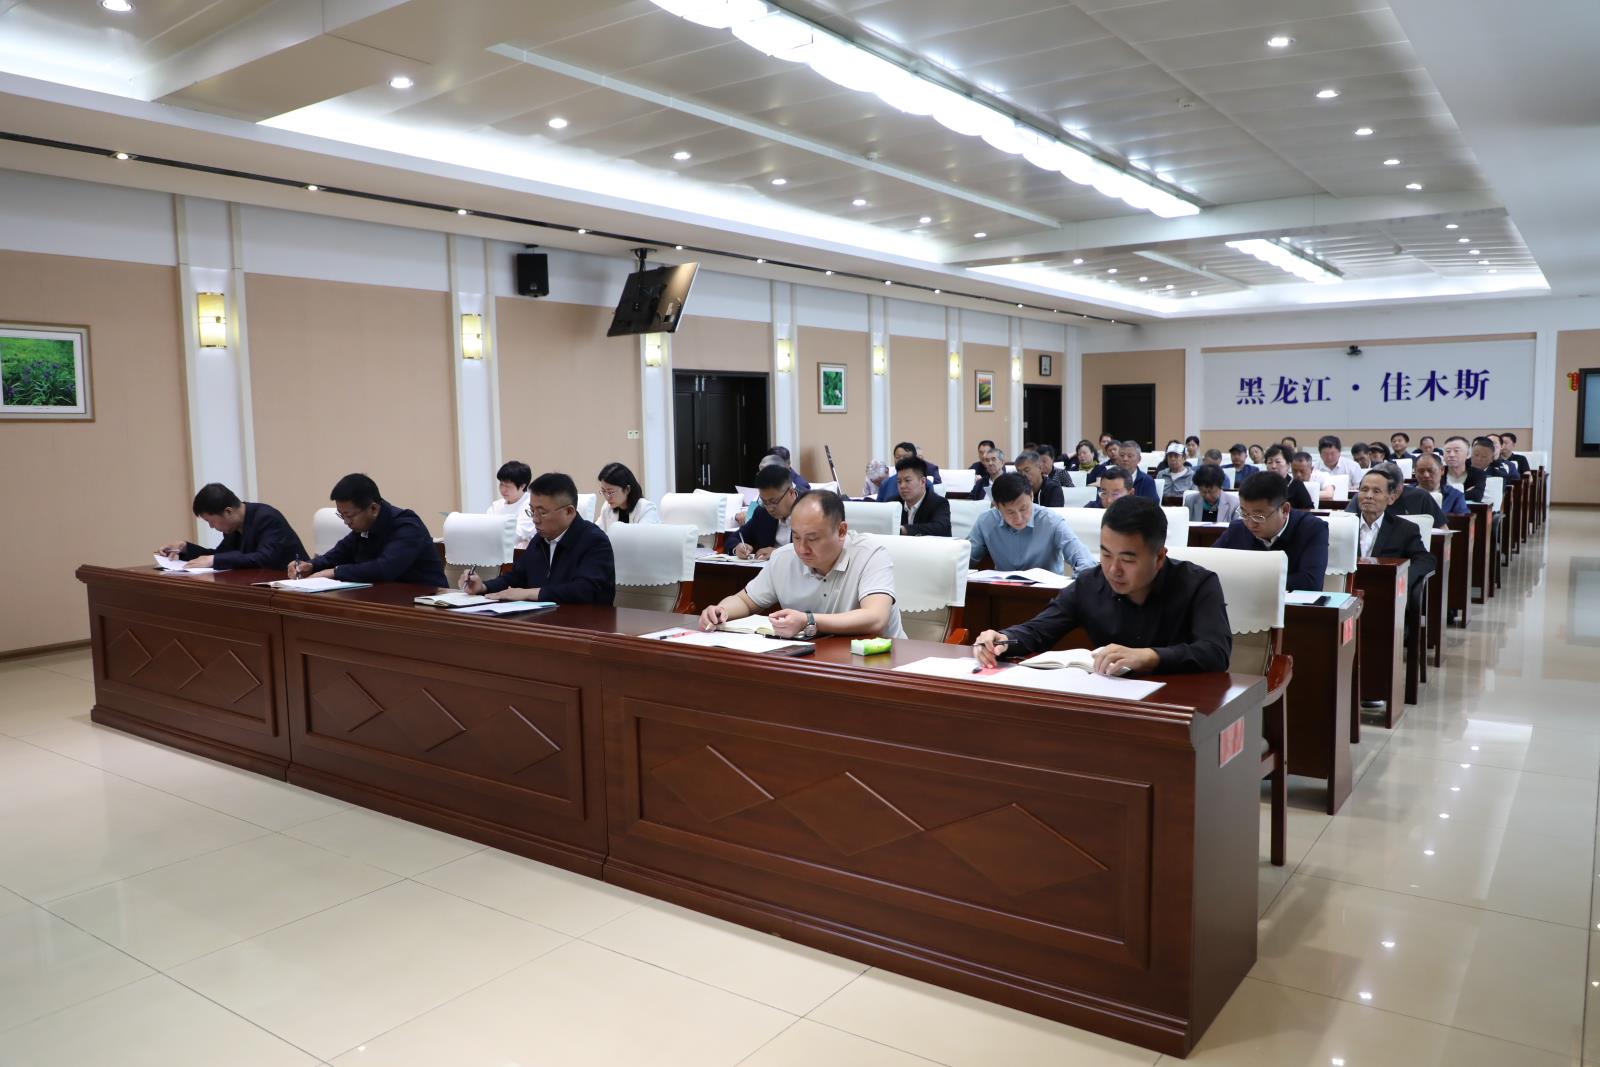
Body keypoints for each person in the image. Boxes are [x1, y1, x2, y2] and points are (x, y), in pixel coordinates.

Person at [973, 497, 1230, 675]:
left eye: (1128, 559)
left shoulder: (1198, 584)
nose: (1113, 569)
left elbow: (1215, 652)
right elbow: (1039, 630)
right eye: (1106, 554)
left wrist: (1150, 656)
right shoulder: (1090, 583)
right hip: (1110, 702)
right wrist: (1004, 639)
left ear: (1159, 557)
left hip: (1178, 706)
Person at [699, 490, 902, 638]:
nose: (802, 548)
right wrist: (720, 610)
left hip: (879, 662)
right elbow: (745, 601)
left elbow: (876, 618)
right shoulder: (784, 557)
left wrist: (808, 620)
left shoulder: (870, 555)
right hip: (815, 658)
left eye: (812, 539)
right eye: (796, 537)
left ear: (841, 531)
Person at [462, 472, 614, 604]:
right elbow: (516, 577)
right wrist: (483, 587)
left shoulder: (594, 541)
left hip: (583, 624)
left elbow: (586, 590)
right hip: (542, 620)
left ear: (569, 511)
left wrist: (530, 593)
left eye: (542, 513)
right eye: (532, 511)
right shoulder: (539, 539)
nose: (535, 519)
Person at [288, 473, 447, 586]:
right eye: (342, 515)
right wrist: (311, 565)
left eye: (349, 516)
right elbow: (338, 554)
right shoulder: (363, 528)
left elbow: (384, 569)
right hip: (385, 600)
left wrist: (334, 572)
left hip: (425, 604)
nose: (346, 522)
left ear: (373, 509)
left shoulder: (407, 526)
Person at [1214, 471, 1329, 591]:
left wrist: (1247, 580)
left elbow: (1311, 582)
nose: (1250, 523)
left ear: (1284, 510)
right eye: (1244, 513)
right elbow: (1209, 564)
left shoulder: (1313, 529)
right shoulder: (1238, 528)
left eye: (1258, 516)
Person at [967, 473, 1096, 575]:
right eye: (1010, 512)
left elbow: (1085, 561)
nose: (1019, 518)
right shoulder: (986, 522)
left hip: (1046, 594)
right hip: (1004, 592)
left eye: (1023, 509)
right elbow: (965, 559)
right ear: (996, 506)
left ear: (1031, 496)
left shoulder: (1051, 521)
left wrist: (1078, 583)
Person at [159, 483, 307, 571]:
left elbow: (264, 558)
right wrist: (185, 548)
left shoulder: (267, 518)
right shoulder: (233, 527)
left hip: (292, 585)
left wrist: (214, 560)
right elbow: (221, 555)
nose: (211, 527)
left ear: (228, 511)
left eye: (211, 521)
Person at [1353, 467, 1435, 613]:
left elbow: (1426, 560)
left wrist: (1402, 579)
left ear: (1391, 498)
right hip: (1351, 592)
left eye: (1376, 491)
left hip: (1386, 596)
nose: (1369, 496)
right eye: (1364, 490)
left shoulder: (1405, 529)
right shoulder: (1346, 525)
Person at [729, 463, 798, 560]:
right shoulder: (762, 513)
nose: (769, 508)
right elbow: (733, 539)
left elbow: (815, 550)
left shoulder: (810, 512)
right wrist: (737, 548)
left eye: (774, 501)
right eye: (764, 502)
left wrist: (778, 553)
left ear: (791, 492)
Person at [895, 455, 951, 536]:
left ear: (923, 482)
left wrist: (904, 530)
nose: (902, 486)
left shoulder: (939, 503)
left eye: (907, 480)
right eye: (899, 481)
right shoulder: (893, 502)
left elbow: (940, 528)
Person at [596, 462, 660, 530]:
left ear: (627, 489)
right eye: (603, 491)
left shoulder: (646, 508)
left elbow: (643, 535)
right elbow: (597, 532)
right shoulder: (607, 508)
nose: (607, 497)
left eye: (611, 492)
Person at [487, 460, 535, 549]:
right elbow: (486, 528)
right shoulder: (496, 506)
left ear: (522, 486)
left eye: (508, 486)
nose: (503, 490)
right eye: (501, 484)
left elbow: (519, 533)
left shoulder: (531, 505)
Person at [875, 441, 941, 501]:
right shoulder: (886, 483)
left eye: (905, 457)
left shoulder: (925, 483)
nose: (901, 460)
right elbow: (879, 508)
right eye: (897, 457)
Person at [1262, 446, 1315, 510]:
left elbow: (1309, 510)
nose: (1273, 466)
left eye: (1278, 462)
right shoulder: (1261, 484)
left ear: (1288, 464)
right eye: (1270, 462)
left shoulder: (1296, 484)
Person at [1441, 435, 1486, 502]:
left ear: (1468, 455)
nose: (1451, 455)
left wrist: (1446, 496)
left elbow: (1477, 495)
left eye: (1456, 451)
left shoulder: (1478, 474)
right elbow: (1432, 496)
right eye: (1448, 451)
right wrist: (1465, 494)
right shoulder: (1437, 472)